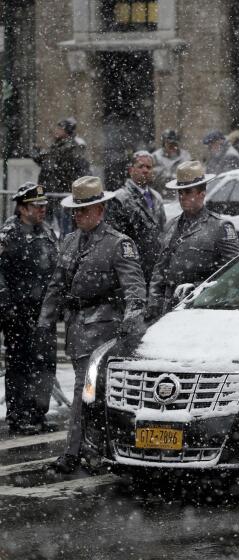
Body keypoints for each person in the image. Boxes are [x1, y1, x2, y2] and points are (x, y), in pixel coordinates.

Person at [38, 176, 147, 473]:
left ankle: (74, 451)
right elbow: (56, 284)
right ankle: (93, 447)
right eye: (75, 210)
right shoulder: (71, 240)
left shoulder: (118, 244)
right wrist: (45, 320)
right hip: (77, 326)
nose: (78, 215)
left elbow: (135, 290)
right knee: (91, 393)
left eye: (84, 210)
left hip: (104, 329)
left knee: (84, 390)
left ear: (100, 210)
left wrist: (131, 322)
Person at [147, 161, 239, 318]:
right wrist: (154, 303)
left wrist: (200, 289)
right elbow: (160, 268)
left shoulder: (219, 226)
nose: (182, 196)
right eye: (180, 192)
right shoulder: (171, 225)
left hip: (201, 306)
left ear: (201, 193)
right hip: (170, 307)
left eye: (187, 191)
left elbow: (234, 272)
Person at [0, 184, 59, 435]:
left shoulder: (47, 232)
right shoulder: (8, 234)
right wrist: (7, 305)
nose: (43, 210)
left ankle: (38, 413)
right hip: (18, 311)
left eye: (45, 206)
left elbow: (57, 267)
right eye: (37, 206)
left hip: (43, 312)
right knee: (19, 364)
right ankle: (18, 415)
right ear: (23, 208)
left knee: (44, 364)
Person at [105, 151, 167, 284]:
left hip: (154, 269)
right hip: (131, 269)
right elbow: (114, 238)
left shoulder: (157, 197)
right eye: (141, 166)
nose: (145, 170)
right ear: (131, 170)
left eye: (149, 167)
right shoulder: (119, 198)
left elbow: (163, 231)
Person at [33, 117, 91, 236]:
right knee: (45, 228)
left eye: (60, 128)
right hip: (49, 193)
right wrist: (37, 154)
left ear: (67, 131)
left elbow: (71, 167)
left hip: (61, 193)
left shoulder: (73, 146)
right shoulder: (56, 145)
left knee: (65, 228)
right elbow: (45, 161)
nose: (56, 131)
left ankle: (66, 250)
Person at [151, 129, 191, 194]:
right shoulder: (155, 157)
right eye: (170, 144)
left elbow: (190, 176)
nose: (173, 147)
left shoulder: (185, 156)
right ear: (164, 143)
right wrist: (167, 177)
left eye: (175, 144)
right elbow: (151, 177)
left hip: (180, 196)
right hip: (160, 195)